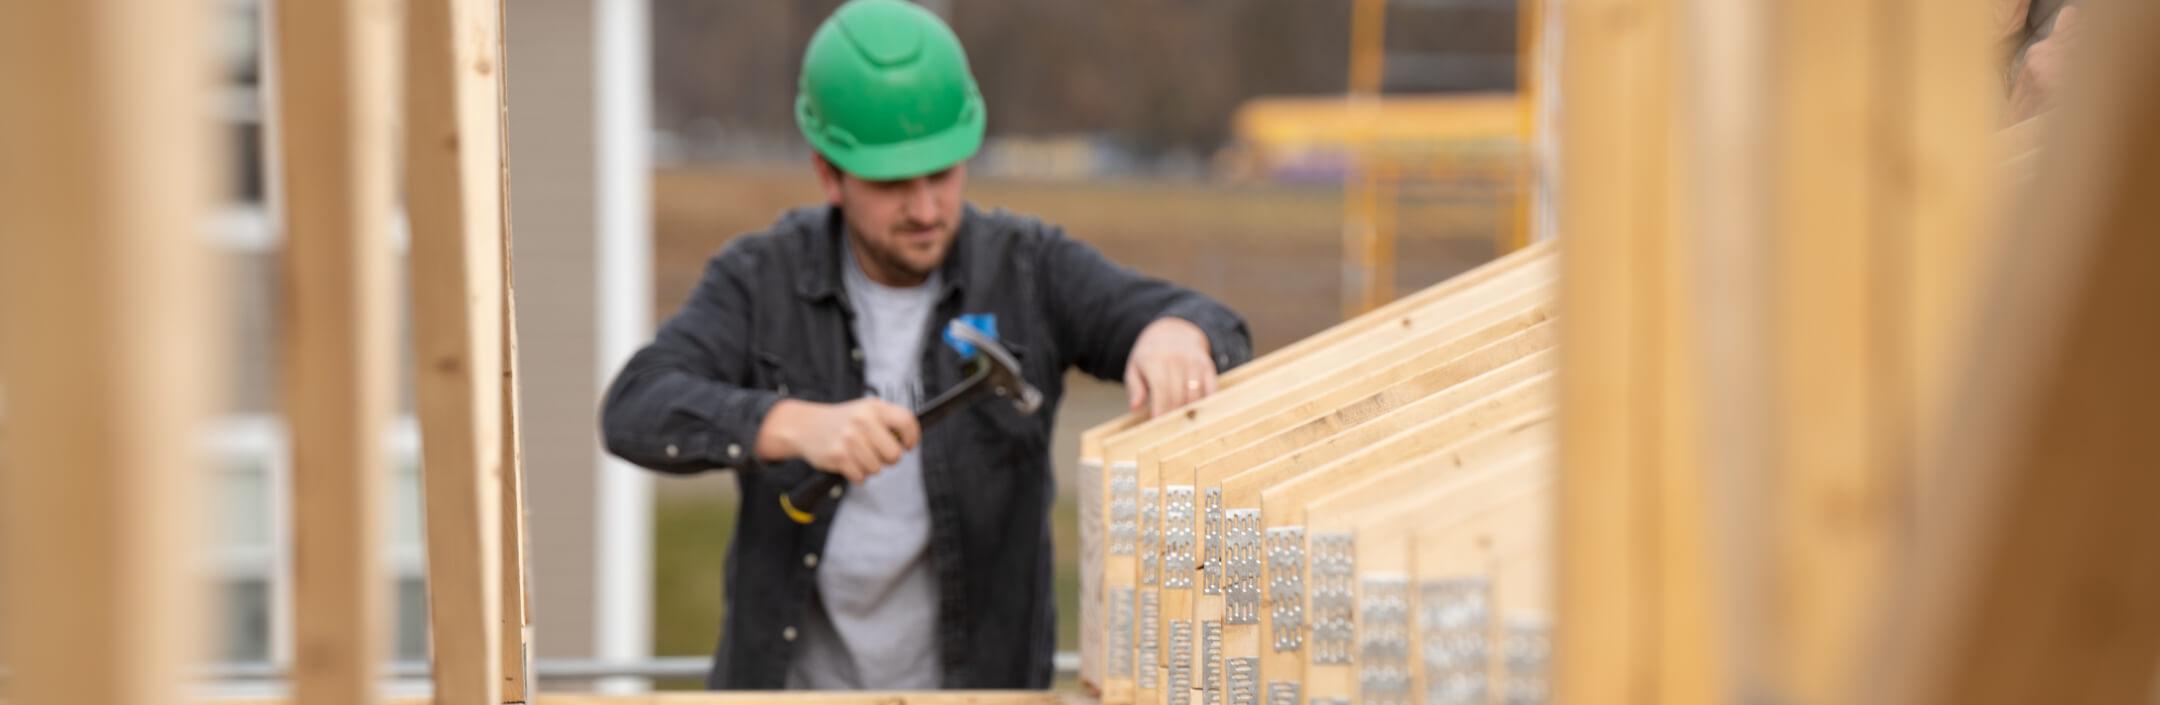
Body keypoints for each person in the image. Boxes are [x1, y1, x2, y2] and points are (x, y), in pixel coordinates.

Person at [599, 0, 1252, 692]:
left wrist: (1175, 333)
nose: (926, 208)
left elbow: (1203, 320)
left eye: (942, 172)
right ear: (829, 174)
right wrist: (792, 424)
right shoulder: (761, 280)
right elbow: (636, 407)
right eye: (891, 183)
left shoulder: (1029, 269)